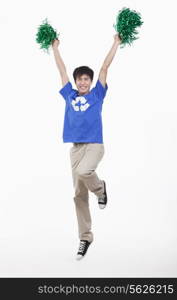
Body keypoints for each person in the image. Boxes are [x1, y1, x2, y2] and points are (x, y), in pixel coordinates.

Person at [52, 34, 121, 260]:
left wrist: (116, 43)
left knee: (85, 172)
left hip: (94, 145)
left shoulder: (97, 95)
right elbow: (62, 71)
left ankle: (101, 189)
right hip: (76, 149)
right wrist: (55, 49)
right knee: (78, 195)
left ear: (90, 82)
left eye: (86, 80)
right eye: (79, 79)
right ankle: (85, 237)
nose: (82, 82)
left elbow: (104, 68)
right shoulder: (69, 95)